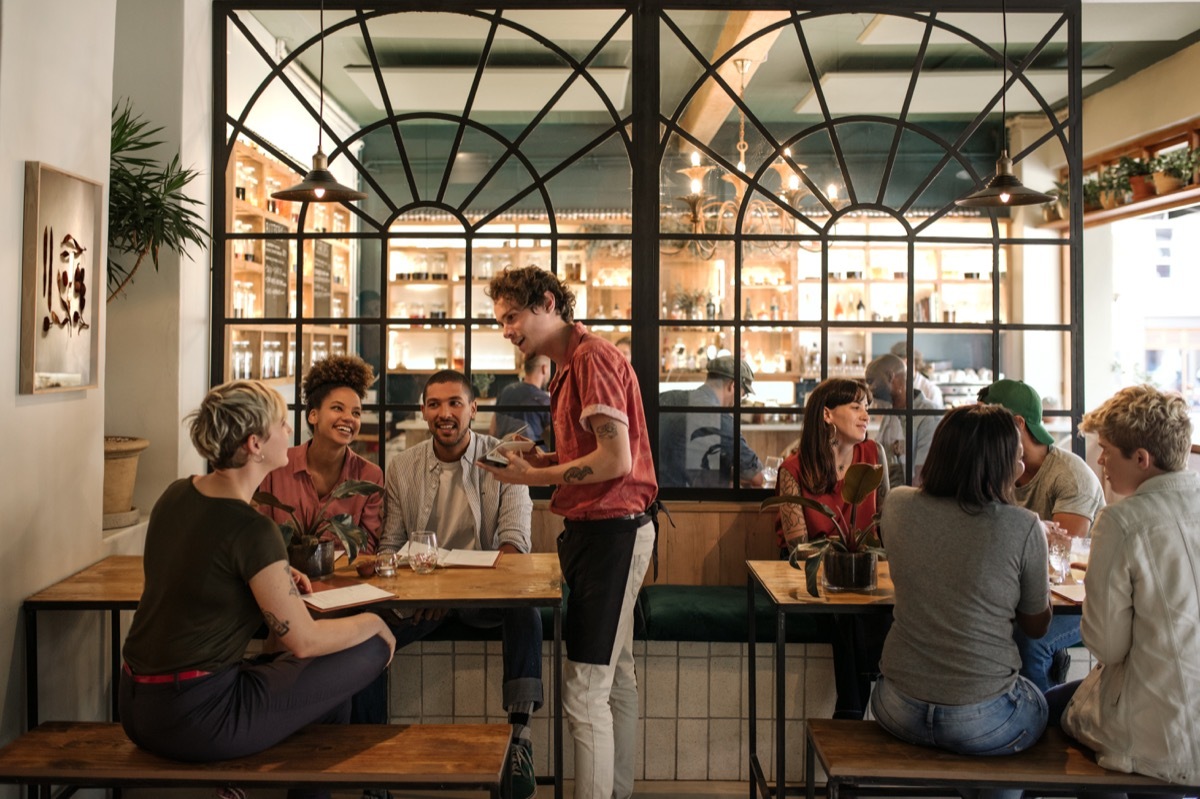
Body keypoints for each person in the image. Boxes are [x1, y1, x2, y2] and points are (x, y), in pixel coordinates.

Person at [119, 381, 395, 799]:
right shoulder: (253, 528)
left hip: (135, 706)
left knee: (328, 698)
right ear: (254, 444)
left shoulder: (175, 495)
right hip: (198, 717)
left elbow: (202, 580)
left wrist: (278, 577)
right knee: (368, 649)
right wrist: (375, 623)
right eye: (282, 423)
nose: (290, 431)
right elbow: (303, 641)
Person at [480, 266, 658, 799]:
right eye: (501, 321)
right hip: (603, 530)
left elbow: (615, 459)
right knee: (614, 678)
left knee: (583, 692)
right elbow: (591, 456)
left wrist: (534, 476)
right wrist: (545, 457)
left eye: (512, 316)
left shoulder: (592, 358)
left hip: (612, 532)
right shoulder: (567, 367)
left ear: (549, 303)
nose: (507, 330)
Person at [379, 369, 543, 799]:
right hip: (423, 596)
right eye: (434, 404)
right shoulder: (402, 466)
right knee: (366, 632)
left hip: (484, 598)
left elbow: (514, 546)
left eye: (455, 403)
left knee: (526, 611)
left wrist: (451, 594)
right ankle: (368, 752)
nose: (444, 413)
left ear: (474, 409)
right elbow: (390, 547)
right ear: (423, 411)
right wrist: (430, 593)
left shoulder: (506, 461)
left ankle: (520, 740)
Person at [871, 404, 1051, 782]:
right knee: (1048, 702)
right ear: (1003, 464)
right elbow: (1036, 626)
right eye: (1017, 457)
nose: (1022, 462)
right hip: (982, 719)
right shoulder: (1023, 525)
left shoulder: (898, 504)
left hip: (894, 705)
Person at [1047, 385, 1199, 787]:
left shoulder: (1121, 520)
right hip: (1186, 720)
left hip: (1155, 730)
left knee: (1039, 714)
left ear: (1142, 458)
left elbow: (1106, 646)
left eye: (1107, 450)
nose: (1099, 460)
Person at [256, 355, 386, 743]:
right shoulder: (276, 469)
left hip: (342, 599)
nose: (349, 418)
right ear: (312, 415)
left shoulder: (370, 476)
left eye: (357, 412)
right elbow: (258, 538)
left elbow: (368, 547)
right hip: (282, 594)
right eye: (337, 409)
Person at [978, 378, 1105, 691]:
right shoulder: (994, 467)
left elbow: (1062, 555)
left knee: (1030, 641)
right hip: (1026, 593)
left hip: (1081, 602)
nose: (979, 430)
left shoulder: (1070, 475)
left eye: (988, 420)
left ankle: (1041, 727)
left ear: (1017, 424)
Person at [776, 377, 890, 719]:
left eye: (867, 407)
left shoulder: (873, 454)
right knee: (846, 609)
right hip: (809, 570)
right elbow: (799, 545)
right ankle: (855, 712)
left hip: (863, 565)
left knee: (861, 604)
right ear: (827, 415)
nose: (865, 415)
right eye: (855, 407)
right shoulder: (793, 468)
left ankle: (849, 714)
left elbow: (884, 521)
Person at [658, 356, 764, 488]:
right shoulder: (720, 418)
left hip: (653, 499)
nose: (739, 401)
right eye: (742, 394)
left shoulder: (665, 398)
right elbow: (756, 477)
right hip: (690, 503)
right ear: (733, 386)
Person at [865, 353, 941, 487]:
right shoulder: (890, 413)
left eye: (871, 382)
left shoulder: (928, 415)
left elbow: (922, 478)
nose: (869, 390)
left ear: (890, 377)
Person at [491, 354, 551, 442]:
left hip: (504, 452)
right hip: (532, 453)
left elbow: (493, 431)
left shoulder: (506, 390)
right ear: (544, 369)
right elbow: (557, 435)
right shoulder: (543, 400)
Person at [888, 342, 944, 408]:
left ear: (908, 361)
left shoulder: (931, 390)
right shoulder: (890, 388)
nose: (894, 369)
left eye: (897, 364)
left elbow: (938, 417)